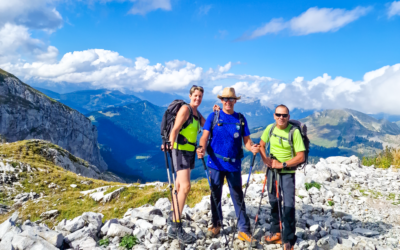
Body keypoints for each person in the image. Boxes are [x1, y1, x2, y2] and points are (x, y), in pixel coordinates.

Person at [197, 87, 260, 244]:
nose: (228, 102)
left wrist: (252, 147)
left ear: (235, 101)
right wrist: (202, 148)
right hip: (215, 163)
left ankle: (244, 229)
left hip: (233, 164)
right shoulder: (214, 116)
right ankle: (216, 224)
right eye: (225, 99)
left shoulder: (240, 118)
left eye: (231, 99)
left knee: (237, 196)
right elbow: (204, 136)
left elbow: (246, 141)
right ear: (221, 101)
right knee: (215, 195)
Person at [162, 85, 206, 244]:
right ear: (190, 96)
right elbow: (175, 130)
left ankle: (173, 215)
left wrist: (217, 113)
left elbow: (208, 127)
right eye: (195, 96)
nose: (198, 99)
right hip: (180, 151)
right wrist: (169, 144)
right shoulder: (185, 110)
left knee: (179, 187)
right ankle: (176, 226)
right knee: (186, 187)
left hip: (189, 152)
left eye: (200, 96)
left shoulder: (197, 113)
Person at [259, 104, 305, 250]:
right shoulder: (270, 128)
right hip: (272, 171)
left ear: (288, 117)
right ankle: (276, 232)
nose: (281, 118)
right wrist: (266, 160)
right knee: (274, 201)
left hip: (287, 172)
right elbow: (261, 144)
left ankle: (289, 239)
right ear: (274, 115)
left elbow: (301, 156)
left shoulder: (294, 132)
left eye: (284, 115)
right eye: (278, 115)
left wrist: (282, 164)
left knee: (288, 205)